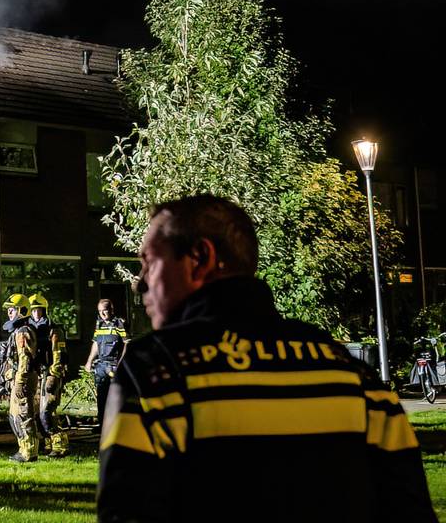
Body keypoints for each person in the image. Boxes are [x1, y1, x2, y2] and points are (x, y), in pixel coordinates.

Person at [99, 194, 435, 522]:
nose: (139, 284)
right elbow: (410, 509)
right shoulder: (351, 372)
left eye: (149, 263)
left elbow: (123, 511)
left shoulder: (156, 370)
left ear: (199, 257)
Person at [26, 293, 69, 457]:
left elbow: (59, 354)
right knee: (35, 412)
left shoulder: (54, 330)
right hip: (35, 374)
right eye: (33, 310)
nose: (36, 314)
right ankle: (47, 443)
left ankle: (60, 444)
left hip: (50, 373)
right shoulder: (27, 329)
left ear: (44, 310)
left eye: (39, 310)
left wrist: (54, 374)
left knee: (47, 411)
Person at [1, 294, 41, 462]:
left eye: (12, 310)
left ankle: (30, 451)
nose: (9, 313)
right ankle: (23, 449)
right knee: (15, 416)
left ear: (22, 311)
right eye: (8, 310)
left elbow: (24, 360)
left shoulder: (23, 332)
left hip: (23, 380)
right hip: (18, 379)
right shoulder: (18, 331)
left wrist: (19, 382)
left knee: (24, 415)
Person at [83, 298, 128, 428]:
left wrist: (120, 363)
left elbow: (127, 344)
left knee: (115, 396)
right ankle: (102, 425)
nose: (102, 314)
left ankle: (117, 426)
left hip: (114, 364)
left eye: (105, 311)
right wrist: (89, 361)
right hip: (101, 365)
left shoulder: (119, 323)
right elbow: (96, 343)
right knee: (101, 396)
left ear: (111, 310)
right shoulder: (99, 324)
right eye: (100, 311)